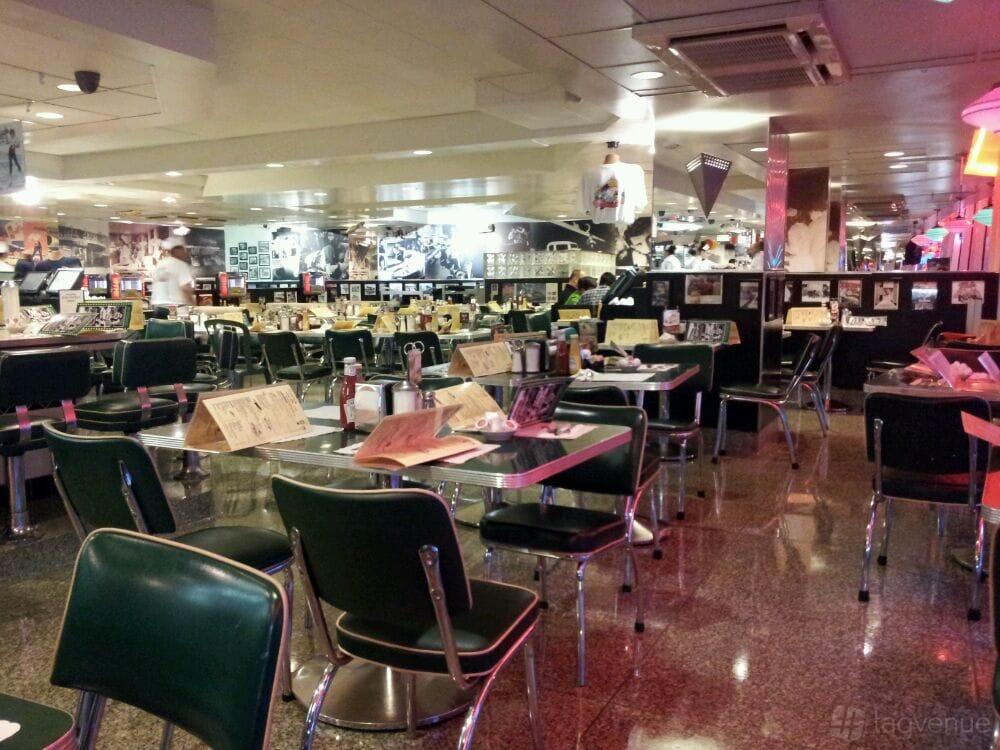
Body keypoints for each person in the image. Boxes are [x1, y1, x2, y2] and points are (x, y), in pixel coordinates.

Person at [150, 237, 195, 306]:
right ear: (177, 250)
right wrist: (193, 306)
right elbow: (186, 289)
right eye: (183, 249)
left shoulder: (160, 264)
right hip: (175, 306)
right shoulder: (181, 265)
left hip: (157, 305)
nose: (185, 253)